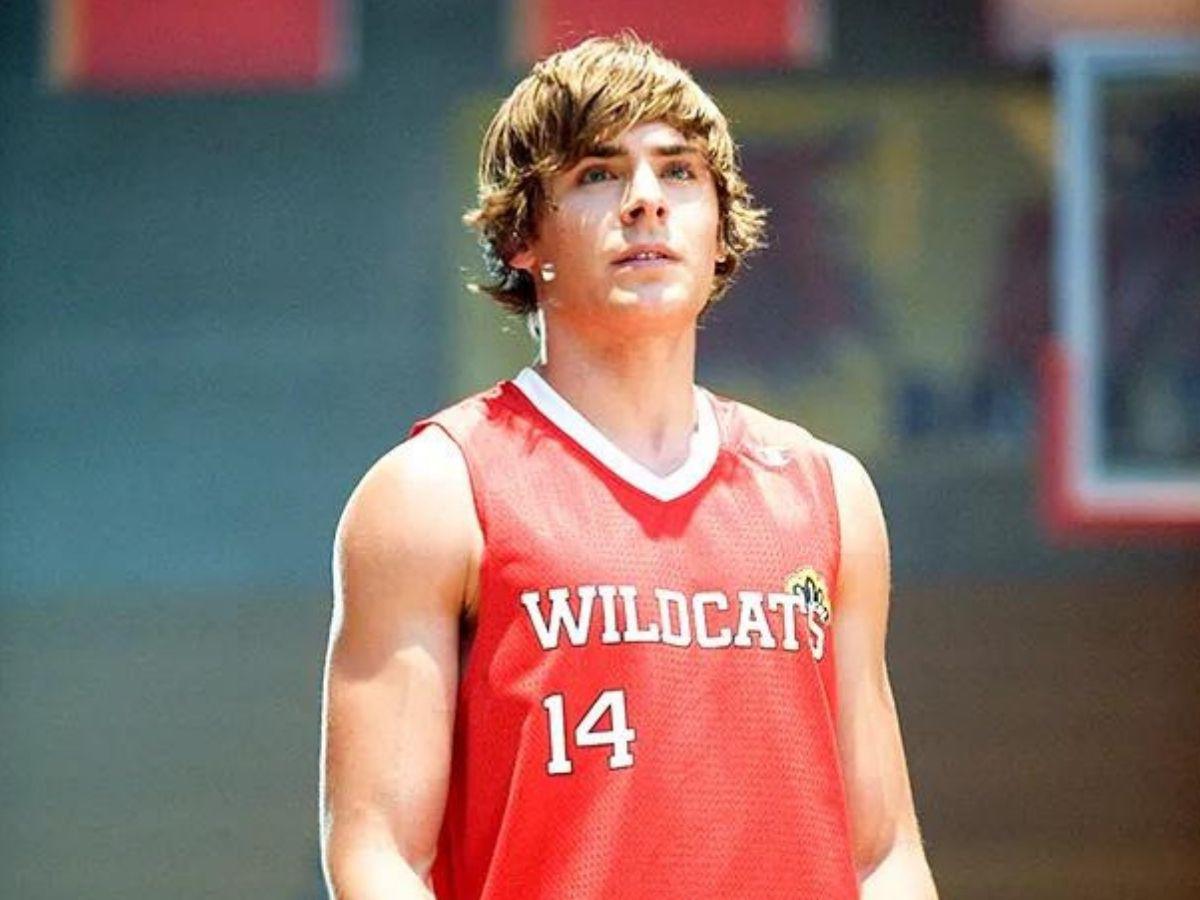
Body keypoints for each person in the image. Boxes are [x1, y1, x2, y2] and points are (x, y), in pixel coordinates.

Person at [320, 34, 937, 899]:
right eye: (598, 174)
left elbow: (883, 853)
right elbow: (378, 852)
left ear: (721, 231)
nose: (647, 199)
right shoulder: (434, 493)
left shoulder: (827, 492)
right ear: (523, 234)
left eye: (679, 172)